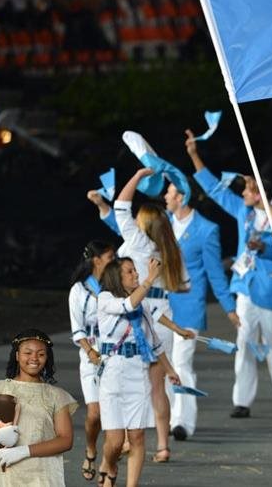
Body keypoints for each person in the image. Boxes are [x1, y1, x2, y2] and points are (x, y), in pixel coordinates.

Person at [187, 131, 272, 418]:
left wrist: (265, 248)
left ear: (259, 194)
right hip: (245, 287)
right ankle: (242, 401)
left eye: (247, 189)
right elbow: (215, 190)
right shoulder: (244, 212)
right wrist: (195, 155)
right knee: (244, 343)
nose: (242, 193)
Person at [113, 168, 190, 463]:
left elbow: (121, 206)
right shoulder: (171, 248)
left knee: (129, 385)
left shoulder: (137, 242)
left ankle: (128, 440)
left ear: (143, 223)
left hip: (137, 316)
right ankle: (162, 445)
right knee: (158, 388)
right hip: (163, 318)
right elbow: (184, 285)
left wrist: (137, 175)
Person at [162, 182, 239, 441]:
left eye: (170, 192)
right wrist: (106, 209)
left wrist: (229, 307)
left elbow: (215, 272)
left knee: (181, 362)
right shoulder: (161, 223)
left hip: (189, 304)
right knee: (164, 362)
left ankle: (182, 422)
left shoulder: (206, 229)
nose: (165, 196)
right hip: (161, 304)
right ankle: (168, 416)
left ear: (181, 197)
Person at [95, 257, 183, 487]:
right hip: (113, 374)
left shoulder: (142, 303)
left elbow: (154, 341)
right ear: (117, 277)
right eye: (130, 271)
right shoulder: (105, 298)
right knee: (115, 441)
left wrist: (170, 370)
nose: (136, 274)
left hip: (138, 373)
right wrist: (150, 278)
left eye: (136, 270)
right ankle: (108, 464)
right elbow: (126, 306)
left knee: (137, 436)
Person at [0, 329, 76, 487]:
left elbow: (65, 440)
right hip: (5, 476)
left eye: (41, 354)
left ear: (47, 358)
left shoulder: (57, 395)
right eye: (27, 353)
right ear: (17, 355)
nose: (34, 358)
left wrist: (23, 451)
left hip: (43, 477)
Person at [67, 240, 116, 481]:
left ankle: (108, 464)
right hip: (91, 356)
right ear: (97, 260)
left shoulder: (115, 285)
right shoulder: (79, 290)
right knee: (94, 414)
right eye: (110, 257)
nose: (114, 261)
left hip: (114, 355)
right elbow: (77, 328)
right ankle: (90, 449)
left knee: (113, 415)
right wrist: (89, 352)